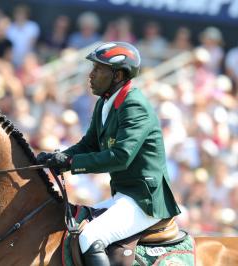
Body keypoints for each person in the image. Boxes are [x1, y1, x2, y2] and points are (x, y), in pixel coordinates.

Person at [37, 42, 181, 265]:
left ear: (118, 75)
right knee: (71, 226)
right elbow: (89, 144)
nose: (90, 75)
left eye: (98, 69)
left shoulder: (134, 105)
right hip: (124, 196)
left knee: (89, 236)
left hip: (145, 201)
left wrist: (71, 162)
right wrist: (57, 158)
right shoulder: (104, 103)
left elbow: (120, 157)